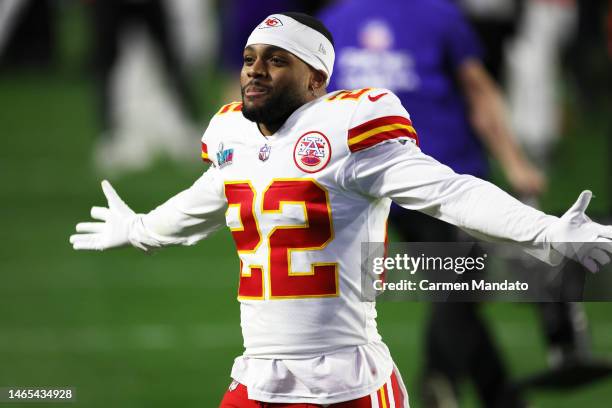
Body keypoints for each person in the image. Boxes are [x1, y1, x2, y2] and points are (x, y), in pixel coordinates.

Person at [70, 12, 612, 407]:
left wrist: (546, 232)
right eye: (250, 58)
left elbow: (452, 193)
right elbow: (202, 201)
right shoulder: (233, 134)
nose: (255, 71)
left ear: (317, 80)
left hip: (347, 381)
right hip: (261, 377)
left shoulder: (349, 133)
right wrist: (141, 228)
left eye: (276, 61)